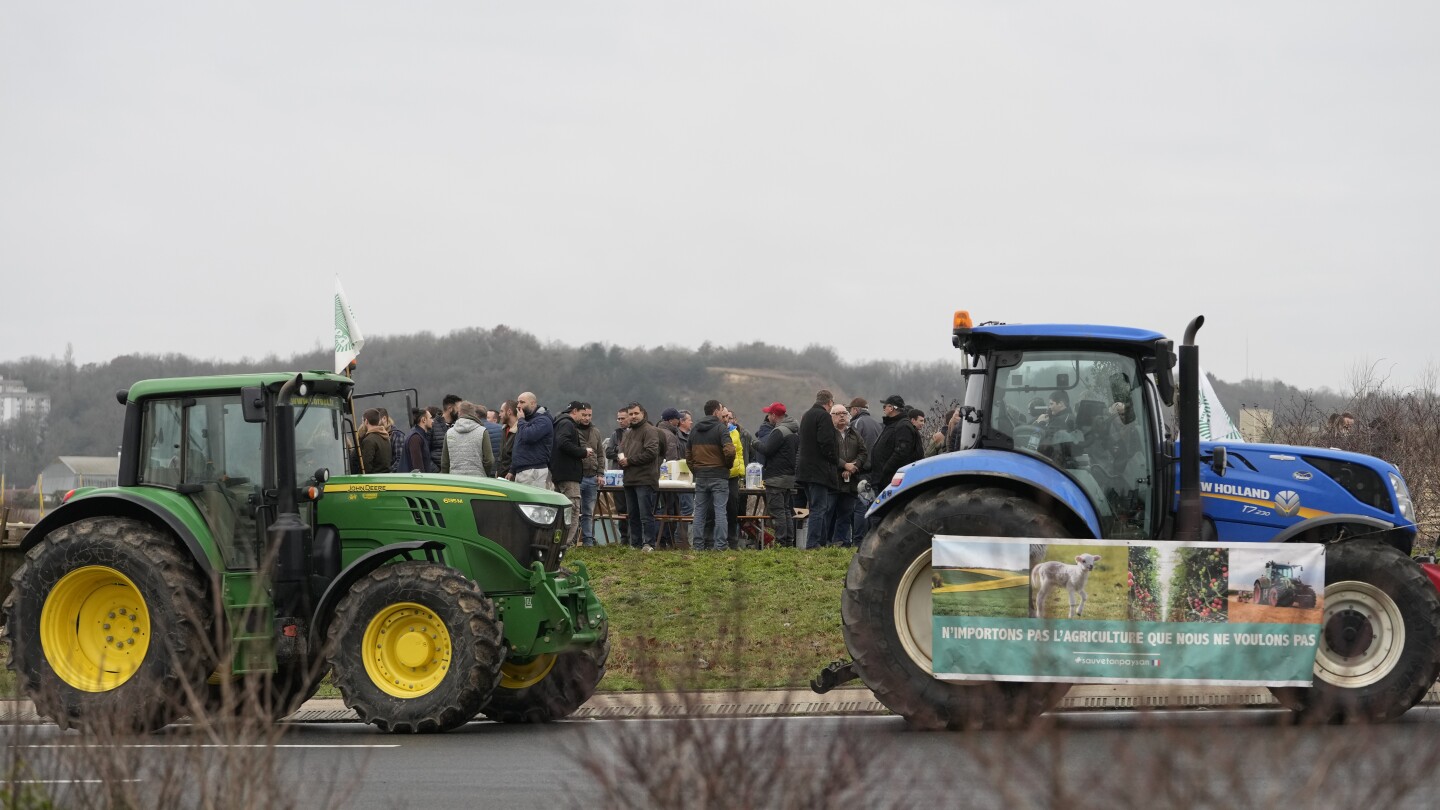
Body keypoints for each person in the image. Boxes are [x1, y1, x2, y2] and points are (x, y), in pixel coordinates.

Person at [685, 399, 735, 551]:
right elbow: (730, 451)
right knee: (720, 511)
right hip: (719, 476)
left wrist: (697, 470)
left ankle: (697, 546)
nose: (722, 413)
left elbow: (688, 456)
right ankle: (721, 546)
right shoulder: (721, 429)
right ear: (715, 412)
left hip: (701, 476)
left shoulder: (694, 430)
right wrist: (726, 466)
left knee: (699, 512)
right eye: (721, 410)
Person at [795, 389, 839, 550]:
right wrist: (834, 460)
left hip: (804, 469)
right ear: (829, 403)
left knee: (815, 506)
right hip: (818, 470)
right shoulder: (824, 417)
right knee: (819, 508)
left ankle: (820, 541)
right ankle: (813, 543)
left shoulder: (807, 415)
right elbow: (826, 442)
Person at [618, 402, 664, 551]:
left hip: (645, 479)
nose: (633, 416)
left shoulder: (650, 431)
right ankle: (635, 543)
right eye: (631, 414)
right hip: (629, 479)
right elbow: (621, 451)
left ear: (643, 413)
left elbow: (651, 453)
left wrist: (629, 461)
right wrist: (621, 460)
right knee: (633, 515)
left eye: (636, 413)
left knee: (646, 515)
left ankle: (649, 543)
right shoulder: (627, 433)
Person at [757, 402, 800, 547]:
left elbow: (768, 450)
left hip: (776, 478)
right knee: (786, 510)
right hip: (789, 477)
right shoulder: (793, 431)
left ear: (774, 416)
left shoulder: (779, 431)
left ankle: (781, 542)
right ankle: (788, 541)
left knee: (777, 511)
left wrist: (754, 443)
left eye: (769, 414)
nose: (768, 416)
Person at [550, 401, 591, 547]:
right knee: (573, 508)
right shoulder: (567, 424)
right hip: (568, 473)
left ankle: (557, 541)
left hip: (558, 472)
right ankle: (566, 543)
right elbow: (563, 443)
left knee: (560, 509)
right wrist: (583, 452)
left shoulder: (558, 422)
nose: (584, 417)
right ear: (575, 411)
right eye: (582, 413)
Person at [831, 404, 869, 547]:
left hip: (850, 480)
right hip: (832, 479)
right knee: (829, 512)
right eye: (838, 413)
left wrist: (854, 466)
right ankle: (826, 542)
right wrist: (843, 465)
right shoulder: (829, 433)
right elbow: (828, 454)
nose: (842, 416)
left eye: (844, 413)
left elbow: (863, 452)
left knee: (846, 513)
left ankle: (842, 542)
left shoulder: (854, 433)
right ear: (831, 417)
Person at [868, 395, 919, 496]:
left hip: (890, 481)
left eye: (885, 406)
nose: (883, 409)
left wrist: (885, 470)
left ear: (891, 408)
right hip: (881, 479)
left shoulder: (903, 426)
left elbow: (901, 453)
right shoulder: (892, 424)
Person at [575, 404, 605, 547]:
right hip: (577, 476)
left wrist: (600, 473)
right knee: (574, 510)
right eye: (584, 415)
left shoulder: (596, 432)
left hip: (592, 476)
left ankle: (588, 541)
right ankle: (573, 541)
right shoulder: (572, 430)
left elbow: (600, 454)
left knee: (588, 512)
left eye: (589, 415)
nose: (587, 418)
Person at [510, 391, 554, 489]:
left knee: (532, 503)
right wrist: (512, 470)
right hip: (523, 470)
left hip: (534, 470)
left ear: (533, 403)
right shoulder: (526, 421)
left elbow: (528, 437)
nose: (518, 406)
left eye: (522, 402)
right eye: (518, 402)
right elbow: (519, 445)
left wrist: (520, 420)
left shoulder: (543, 420)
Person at [441, 401, 495, 477]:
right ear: (474, 414)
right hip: (478, 479)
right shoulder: (482, 431)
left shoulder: (449, 433)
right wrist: (484, 473)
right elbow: (489, 460)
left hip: (455, 479)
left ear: (459, 413)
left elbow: (445, 462)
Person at [397, 408, 433, 473]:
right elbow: (418, 467)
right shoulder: (415, 438)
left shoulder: (419, 435)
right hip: (413, 482)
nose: (432, 421)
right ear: (423, 420)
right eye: (430, 418)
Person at [358, 408, 392, 474]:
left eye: (363, 421)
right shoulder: (385, 437)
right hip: (386, 477)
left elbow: (367, 466)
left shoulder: (368, 440)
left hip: (374, 480)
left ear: (366, 421)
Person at [497, 400, 519, 479]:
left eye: (502, 411)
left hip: (513, 477)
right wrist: (498, 471)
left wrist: (512, 472)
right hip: (502, 476)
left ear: (509, 411)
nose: (499, 415)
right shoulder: (504, 430)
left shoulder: (520, 430)